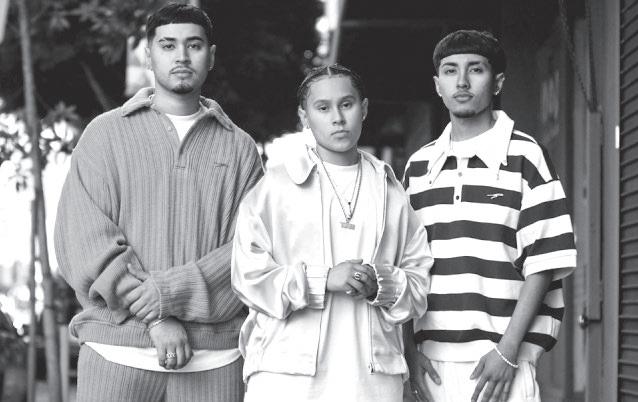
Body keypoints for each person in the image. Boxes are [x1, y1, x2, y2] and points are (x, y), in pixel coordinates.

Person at [54, 3, 263, 401]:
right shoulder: (104, 134)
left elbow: (250, 250)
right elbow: (83, 237)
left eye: (193, 45)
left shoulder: (241, 149)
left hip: (215, 359)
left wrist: (167, 295)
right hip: (115, 351)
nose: (181, 56)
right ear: (148, 55)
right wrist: (156, 318)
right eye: (168, 45)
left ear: (211, 56)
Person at [231, 64, 433, 402]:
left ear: (364, 108)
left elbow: (418, 284)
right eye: (323, 108)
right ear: (304, 116)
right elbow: (248, 278)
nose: (337, 118)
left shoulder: (390, 191)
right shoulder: (275, 188)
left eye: (346, 104)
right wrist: (323, 279)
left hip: (370, 381)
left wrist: (381, 283)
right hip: (286, 378)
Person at [402, 30, 576, 402]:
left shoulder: (526, 157)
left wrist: (508, 350)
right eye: (450, 71)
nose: (462, 82)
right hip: (431, 367)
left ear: (497, 82)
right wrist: (409, 353)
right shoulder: (418, 167)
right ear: (437, 85)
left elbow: (544, 261)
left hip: (503, 364)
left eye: (475, 69)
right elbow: (405, 266)